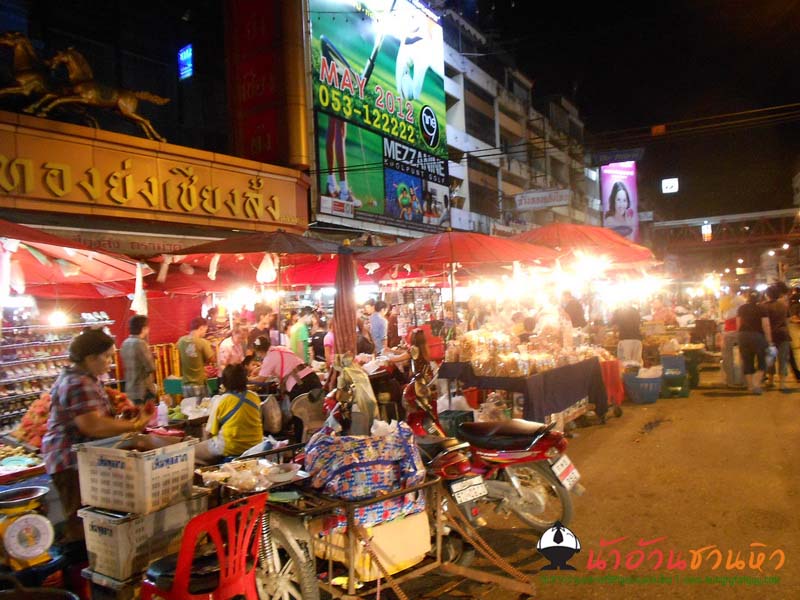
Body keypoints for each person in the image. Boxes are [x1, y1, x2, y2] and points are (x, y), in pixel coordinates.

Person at [42, 328, 154, 544]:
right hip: (69, 460)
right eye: (108, 356)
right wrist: (132, 425)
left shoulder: (85, 378)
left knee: (87, 517)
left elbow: (96, 419)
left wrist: (122, 418)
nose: (110, 362)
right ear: (91, 358)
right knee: (81, 521)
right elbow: (92, 425)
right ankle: (82, 567)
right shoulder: (78, 382)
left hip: (76, 459)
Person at [253, 336, 323, 442]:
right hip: (312, 378)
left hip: (300, 385)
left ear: (259, 351)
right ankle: (320, 441)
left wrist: (245, 379)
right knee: (318, 413)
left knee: (299, 417)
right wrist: (260, 368)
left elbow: (260, 380)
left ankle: (300, 447)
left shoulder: (269, 358)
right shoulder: (281, 349)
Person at [194, 363, 263, 465]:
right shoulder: (254, 397)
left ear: (225, 382)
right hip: (256, 445)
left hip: (230, 448)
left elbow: (210, 432)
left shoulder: (222, 400)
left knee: (193, 452)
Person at [736, 291, 772, 395]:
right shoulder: (762, 308)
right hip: (757, 336)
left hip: (743, 336)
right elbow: (766, 325)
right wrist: (769, 340)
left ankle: (750, 386)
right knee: (762, 361)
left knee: (747, 360)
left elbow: (738, 324)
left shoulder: (741, 308)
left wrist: (739, 337)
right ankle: (756, 384)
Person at [119, 315, 156, 405]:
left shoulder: (125, 343)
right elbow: (151, 368)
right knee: (145, 417)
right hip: (142, 390)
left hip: (130, 389)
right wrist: (152, 358)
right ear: (143, 328)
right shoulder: (141, 343)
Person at [176, 317, 215, 397]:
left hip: (186, 385)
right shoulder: (202, 342)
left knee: (189, 408)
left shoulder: (181, 341)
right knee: (202, 408)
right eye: (205, 330)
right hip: (199, 383)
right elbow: (212, 359)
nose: (205, 333)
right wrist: (214, 348)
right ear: (201, 328)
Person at [763, 284, 791, 390]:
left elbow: (763, 323)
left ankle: (771, 380)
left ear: (767, 295)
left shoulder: (764, 306)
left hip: (770, 336)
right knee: (783, 359)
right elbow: (787, 321)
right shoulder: (784, 306)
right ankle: (782, 383)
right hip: (783, 335)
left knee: (771, 359)